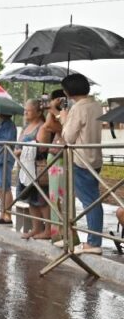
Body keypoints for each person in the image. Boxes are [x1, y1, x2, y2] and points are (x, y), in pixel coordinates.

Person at [58, 73, 105, 254]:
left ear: (68, 91)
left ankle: (93, 243)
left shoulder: (78, 108)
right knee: (93, 200)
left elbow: (69, 137)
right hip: (95, 158)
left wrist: (64, 118)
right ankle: (90, 240)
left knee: (90, 202)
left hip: (81, 159)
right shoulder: (96, 105)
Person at [16, 100, 51, 239]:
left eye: (28, 110)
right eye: (24, 110)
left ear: (38, 112)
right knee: (31, 199)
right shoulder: (26, 126)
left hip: (38, 167)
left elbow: (41, 147)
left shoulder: (42, 127)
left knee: (42, 199)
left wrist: (22, 150)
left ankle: (48, 229)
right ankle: (36, 228)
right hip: (26, 167)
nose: (25, 112)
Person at [39, 90, 66, 240]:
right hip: (55, 155)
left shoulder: (65, 113)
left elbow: (50, 126)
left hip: (61, 156)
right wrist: (52, 110)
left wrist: (54, 110)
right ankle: (58, 233)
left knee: (60, 197)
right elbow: (48, 125)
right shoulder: (58, 113)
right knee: (54, 197)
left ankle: (62, 233)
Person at [0, 113, 18, 224]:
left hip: (4, 158)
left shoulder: (9, 124)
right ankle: (2, 213)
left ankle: (7, 215)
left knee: (5, 186)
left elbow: (8, 141)